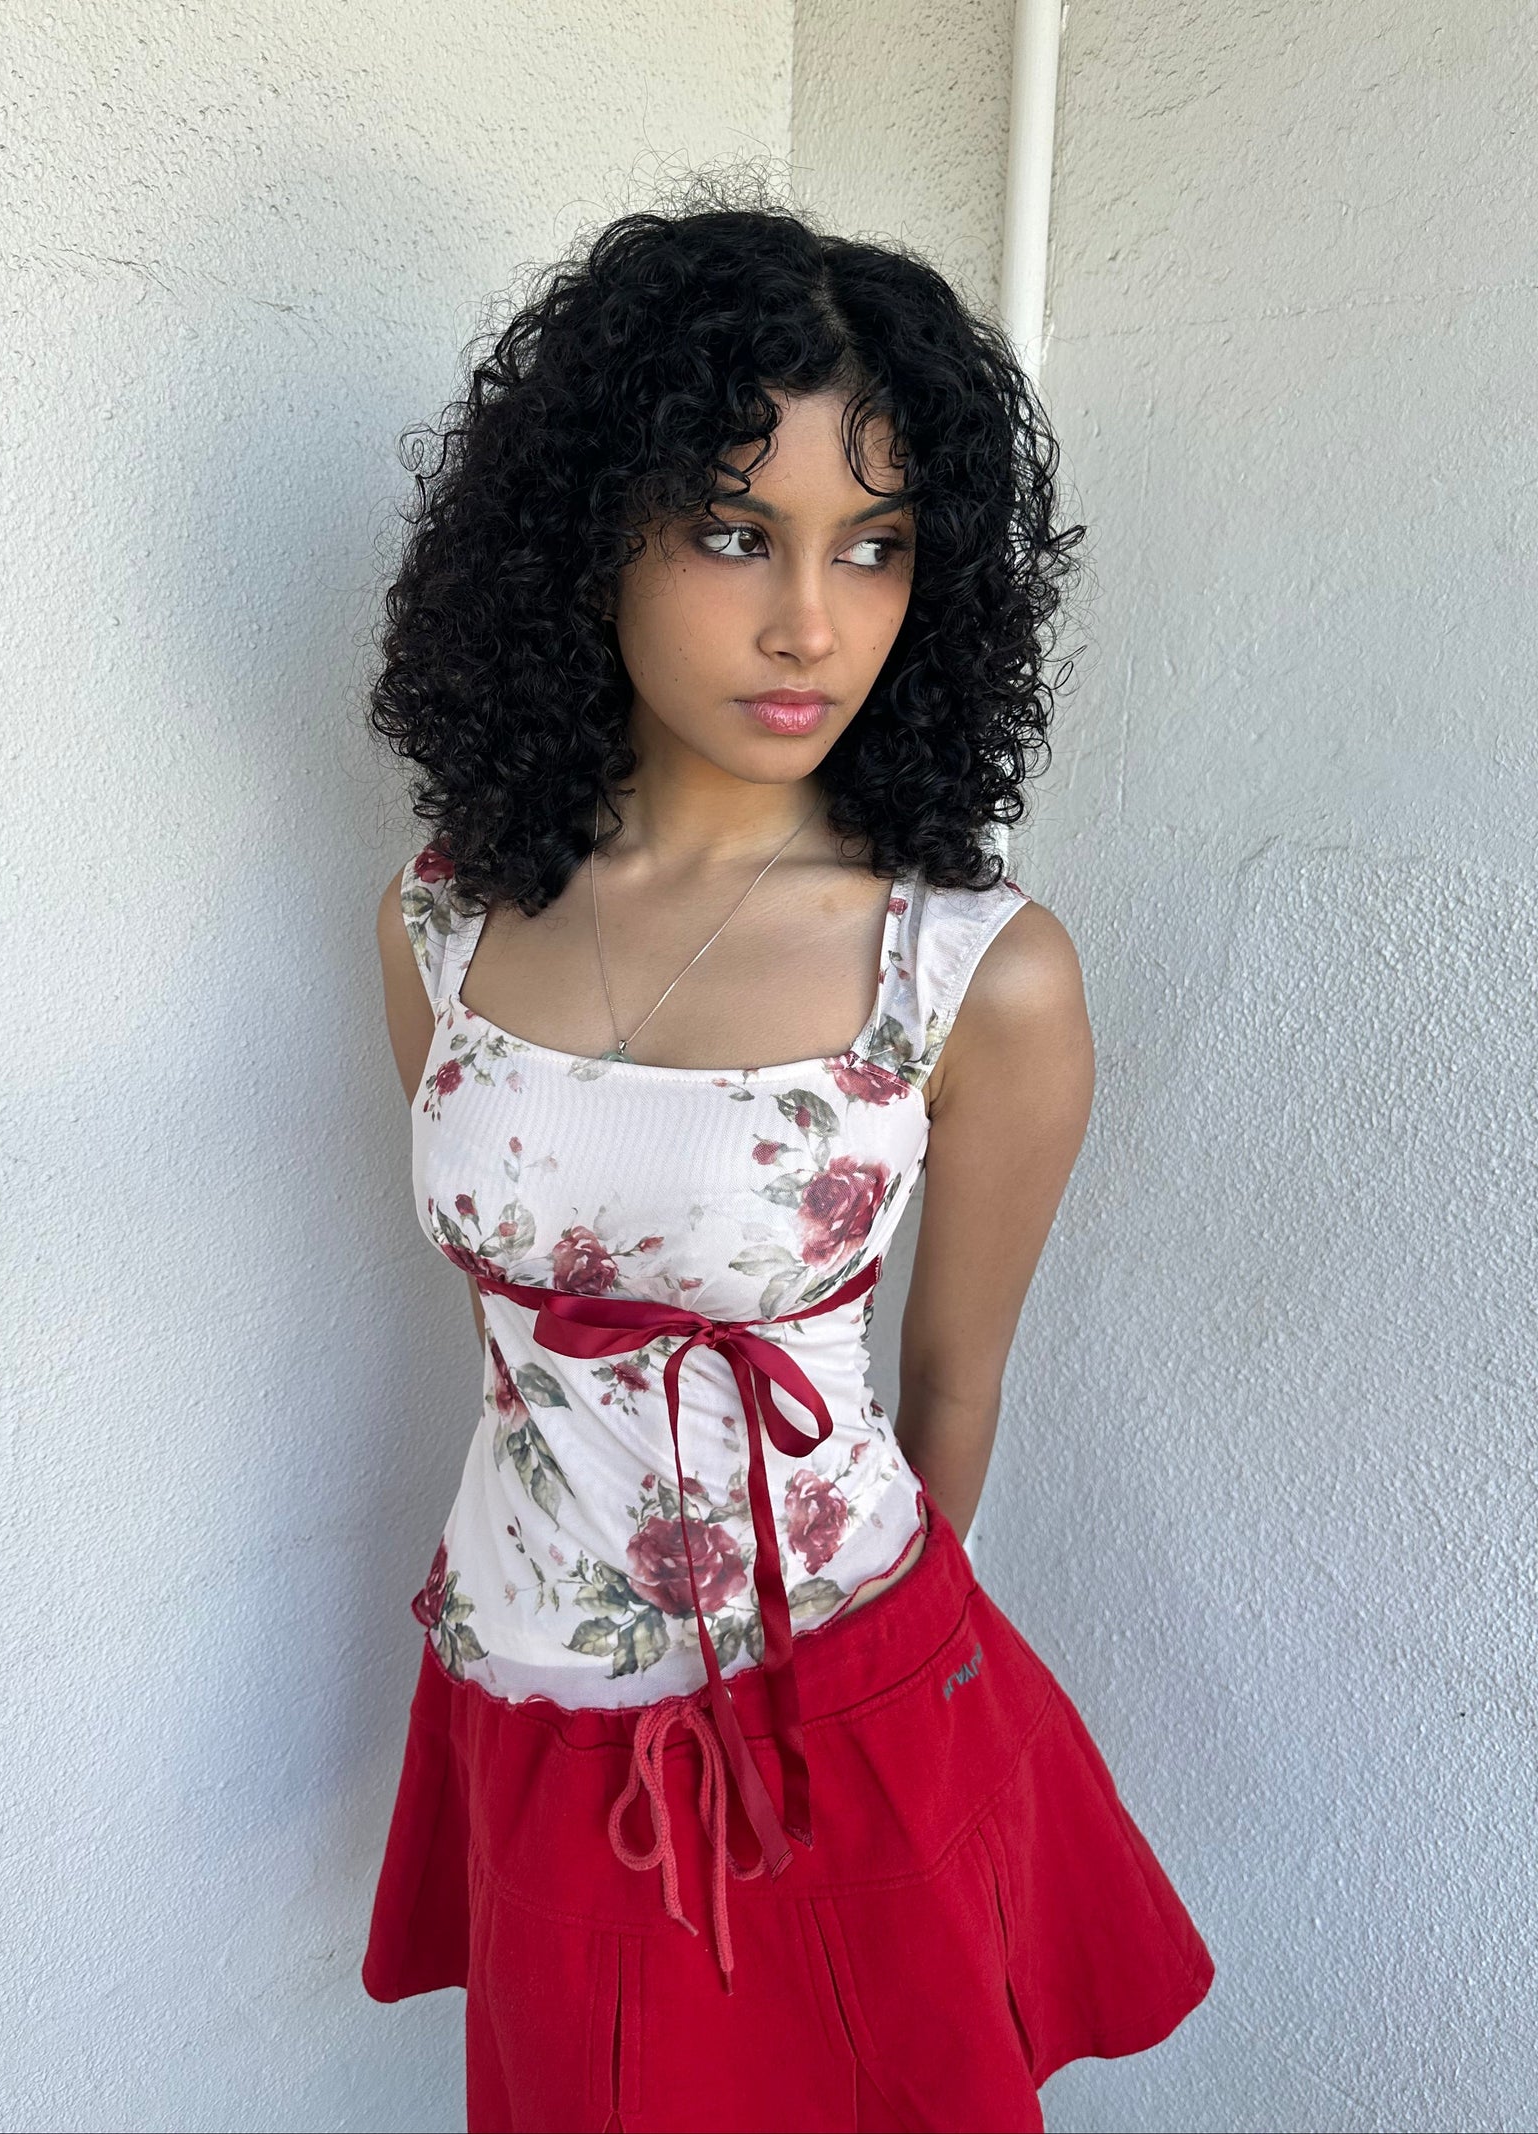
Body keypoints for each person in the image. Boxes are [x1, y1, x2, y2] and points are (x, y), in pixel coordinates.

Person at [360, 192, 1213, 2134]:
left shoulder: (971, 971)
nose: (809, 619)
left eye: (875, 544)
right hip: (523, 1665)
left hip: (831, 1692)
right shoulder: (435, 921)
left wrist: (848, 1691)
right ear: (589, 530)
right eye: (733, 529)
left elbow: (954, 1377)